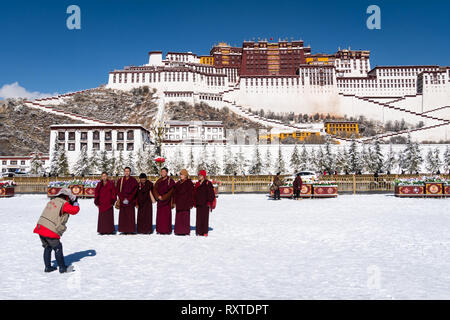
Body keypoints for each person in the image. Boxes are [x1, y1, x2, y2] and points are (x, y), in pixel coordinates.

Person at [33, 188, 80, 273]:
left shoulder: (52, 201)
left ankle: (48, 267)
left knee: (47, 247)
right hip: (50, 229)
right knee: (58, 247)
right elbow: (74, 210)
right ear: (67, 197)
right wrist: (76, 203)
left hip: (41, 227)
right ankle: (62, 268)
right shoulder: (64, 204)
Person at [152, 167, 175, 235]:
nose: (163, 173)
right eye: (162, 172)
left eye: (164, 172)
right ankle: (159, 230)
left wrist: (164, 197)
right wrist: (158, 196)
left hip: (167, 201)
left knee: (166, 217)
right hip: (160, 201)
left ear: (167, 173)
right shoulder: (159, 181)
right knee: (160, 217)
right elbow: (154, 189)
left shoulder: (170, 181)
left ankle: (166, 230)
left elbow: (172, 190)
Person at [116, 167, 138, 234]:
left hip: (130, 201)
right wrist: (122, 199)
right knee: (123, 216)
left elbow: (135, 190)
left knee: (130, 216)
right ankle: (124, 230)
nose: (126, 172)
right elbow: (117, 190)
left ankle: (130, 230)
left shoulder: (133, 180)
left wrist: (129, 199)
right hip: (123, 201)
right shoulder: (120, 180)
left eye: (128, 171)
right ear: (124, 172)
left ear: (130, 172)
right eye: (125, 171)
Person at [194, 170, 215, 236]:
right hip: (198, 203)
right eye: (198, 175)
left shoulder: (208, 183)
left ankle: (205, 231)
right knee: (199, 218)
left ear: (204, 176)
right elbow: (194, 193)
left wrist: (209, 202)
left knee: (205, 218)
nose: (199, 176)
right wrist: (194, 202)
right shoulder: (197, 183)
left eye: (200, 175)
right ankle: (199, 231)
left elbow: (211, 194)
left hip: (205, 203)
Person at [173, 169, 194, 236]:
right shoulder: (178, 183)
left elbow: (191, 194)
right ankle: (178, 231)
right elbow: (175, 193)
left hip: (186, 203)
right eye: (181, 174)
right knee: (179, 217)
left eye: (182, 174)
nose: (181, 176)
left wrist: (191, 203)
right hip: (179, 202)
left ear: (186, 175)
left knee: (185, 217)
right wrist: (174, 201)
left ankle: (185, 231)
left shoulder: (189, 183)